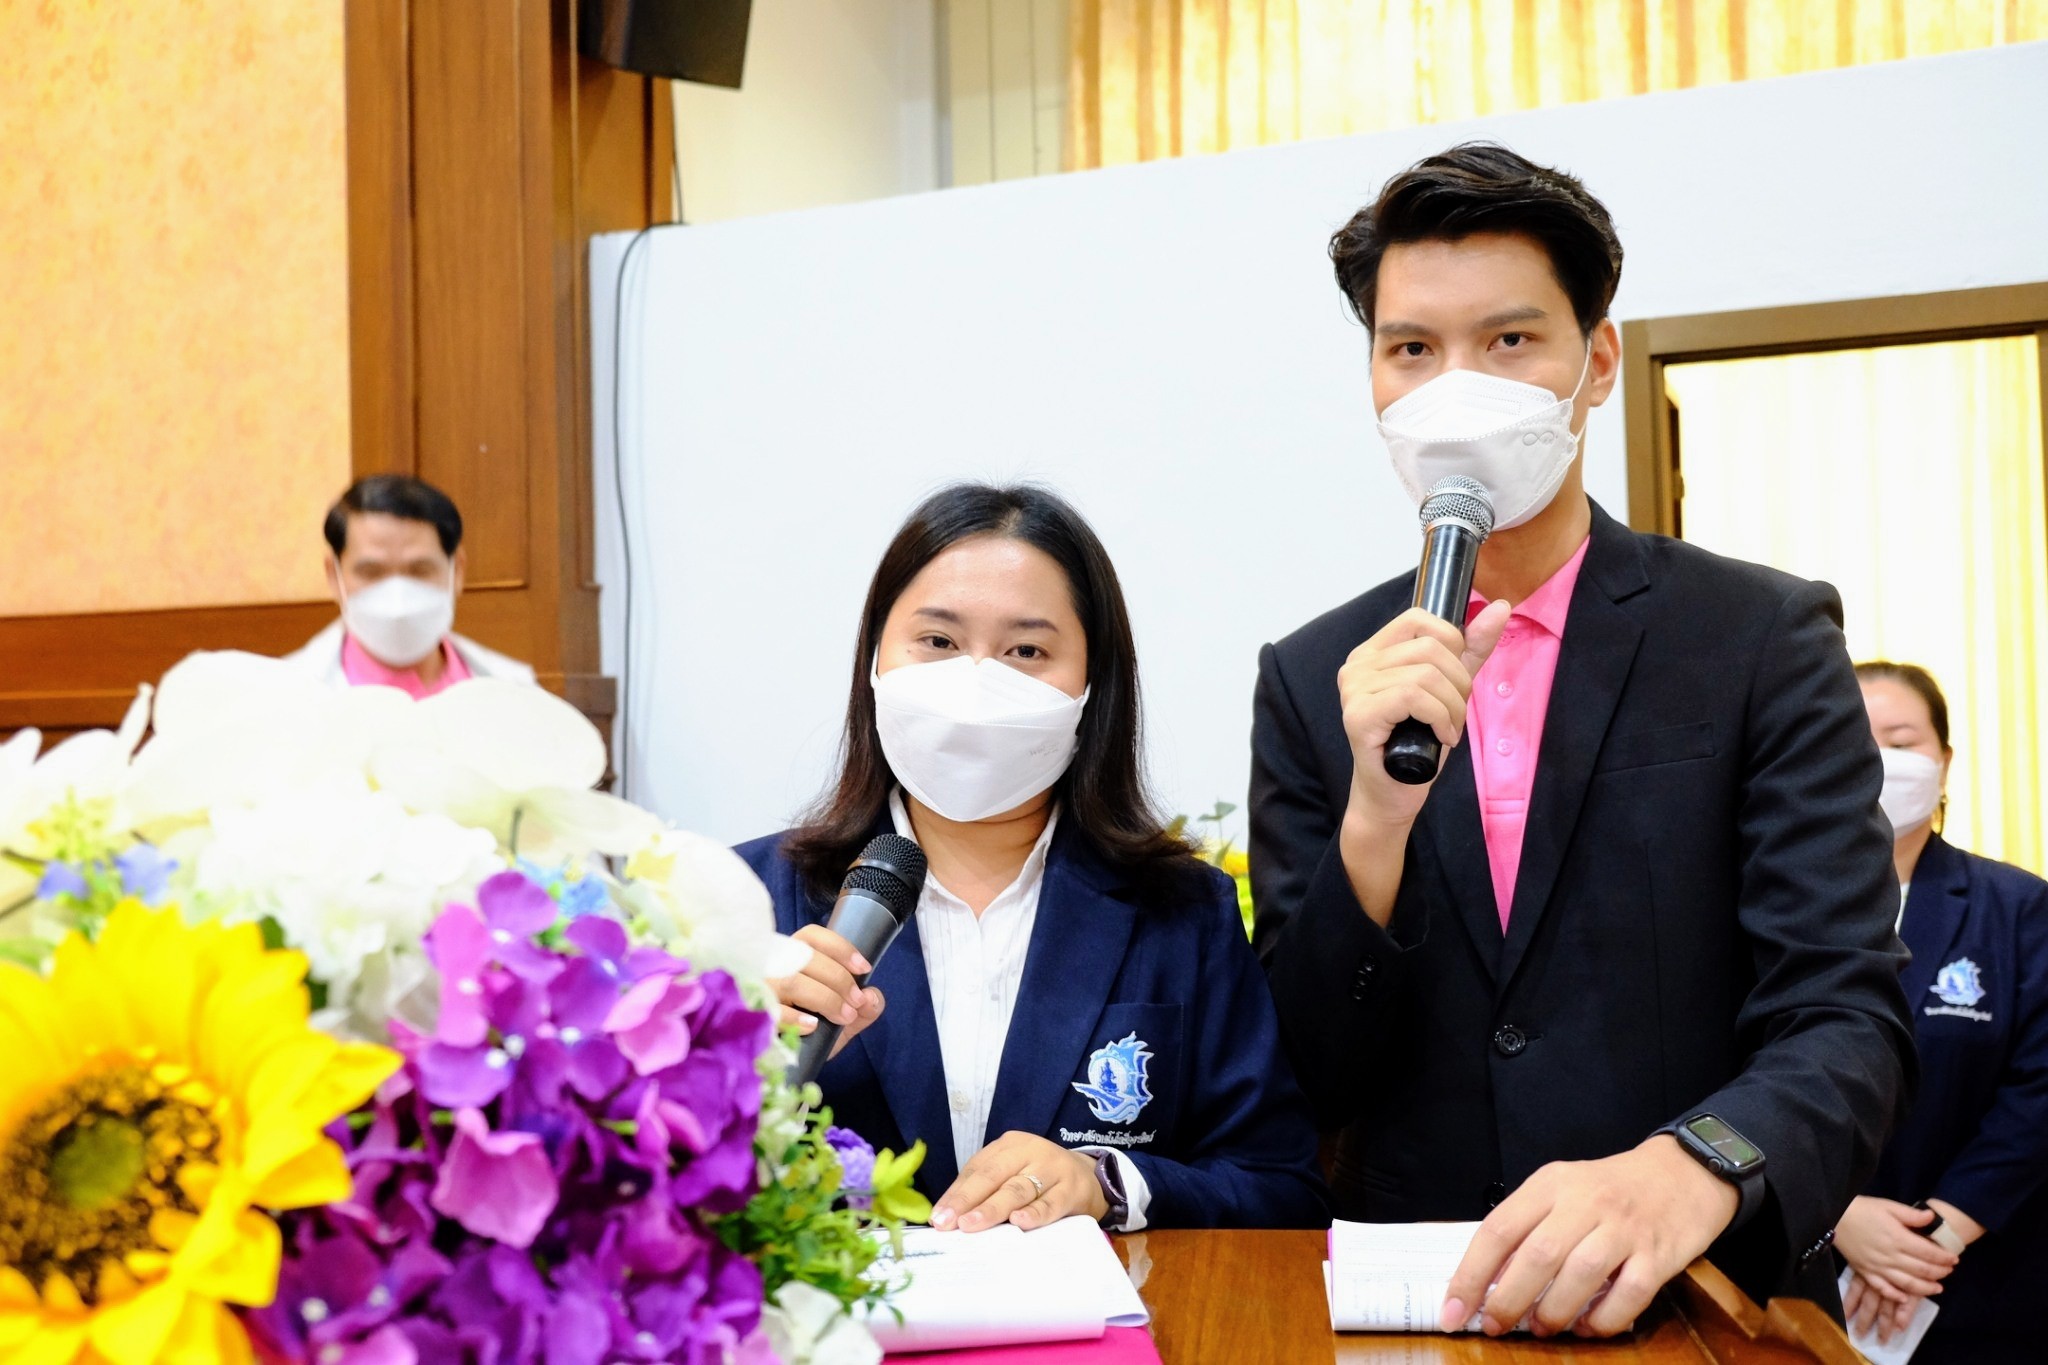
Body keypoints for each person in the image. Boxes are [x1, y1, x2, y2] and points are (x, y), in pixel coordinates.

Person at [1250, 142, 1914, 1334]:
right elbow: (1304, 1064)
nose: (1458, 385)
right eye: (1412, 349)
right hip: (1416, 1305)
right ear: (1372, 380)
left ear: (1595, 361)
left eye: (1508, 341)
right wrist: (1372, 822)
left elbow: (1844, 1017)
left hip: (1700, 1305)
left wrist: (1693, 1166)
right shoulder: (1313, 679)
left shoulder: (1755, 634)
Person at [737, 483, 1327, 1233]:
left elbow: (1281, 1188)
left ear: (1092, 685)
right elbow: (635, 1193)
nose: (978, 681)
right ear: (875, 664)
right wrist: (731, 1068)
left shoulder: (1182, 912)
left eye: (1026, 651)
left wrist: (1111, 1184)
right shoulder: (744, 905)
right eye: (939, 642)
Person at [1834, 662, 2048, 1362]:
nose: (1883, 763)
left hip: (1980, 1282)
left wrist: (1936, 1238)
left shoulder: (2018, 907)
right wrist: (1832, 1215)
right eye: (1856, 739)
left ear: (1945, 761)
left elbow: (2037, 1093)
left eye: (1902, 740)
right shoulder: (1755, 908)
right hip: (1802, 1271)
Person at [285, 474, 534, 695]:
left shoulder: (518, 691)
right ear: (333, 576)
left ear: (456, 570)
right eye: (371, 572)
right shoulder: (284, 697)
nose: (398, 597)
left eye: (419, 571)